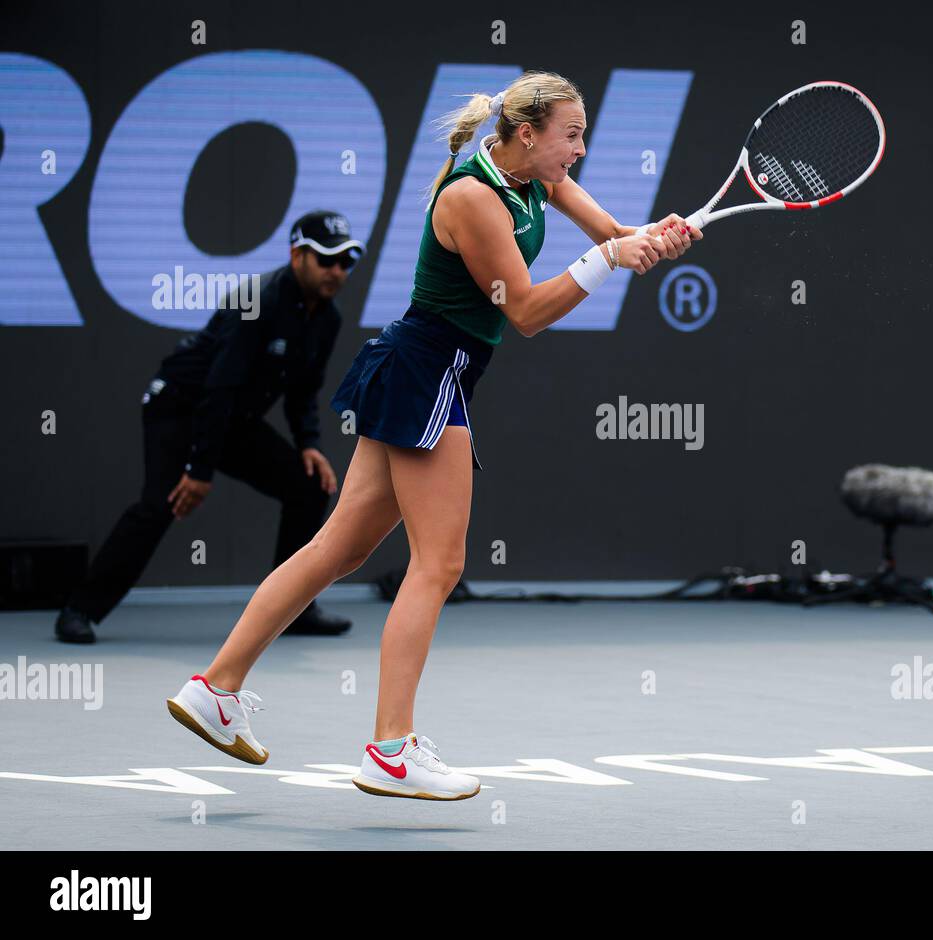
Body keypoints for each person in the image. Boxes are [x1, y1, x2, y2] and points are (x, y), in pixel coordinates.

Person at [165, 71, 702, 800]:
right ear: (528, 132)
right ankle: (390, 750)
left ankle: (215, 689)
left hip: (420, 370)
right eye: (571, 134)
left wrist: (655, 239)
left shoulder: (531, 181)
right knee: (438, 565)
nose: (579, 150)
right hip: (427, 373)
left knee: (338, 548)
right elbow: (529, 313)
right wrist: (610, 260)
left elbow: (612, 236)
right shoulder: (474, 199)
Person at [55, 211, 363, 644]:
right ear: (297, 255)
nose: (336, 271)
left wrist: (309, 444)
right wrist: (199, 470)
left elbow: (302, 391)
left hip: (233, 418)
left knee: (308, 485)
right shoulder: (256, 301)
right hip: (180, 407)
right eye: (326, 259)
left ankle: (294, 609)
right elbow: (219, 388)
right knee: (161, 504)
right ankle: (78, 611)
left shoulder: (327, 318)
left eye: (345, 262)